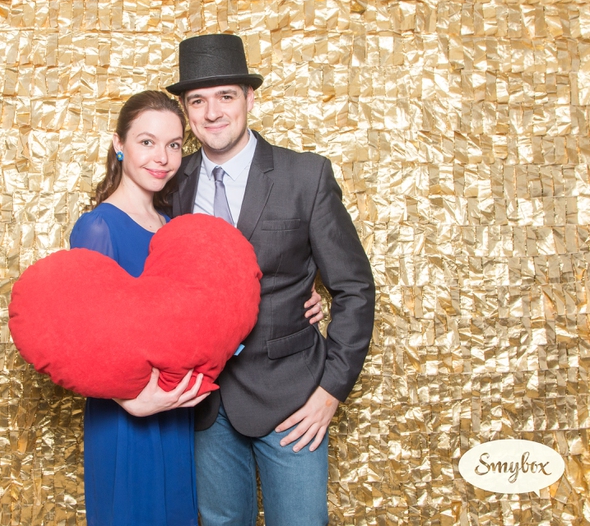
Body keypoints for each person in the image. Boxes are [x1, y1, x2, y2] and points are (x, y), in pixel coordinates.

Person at [68, 90, 326, 525]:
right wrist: (130, 401)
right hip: (130, 418)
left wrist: (296, 293)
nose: (162, 157)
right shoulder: (97, 228)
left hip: (178, 415)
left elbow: (208, 304)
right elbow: (78, 335)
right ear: (118, 144)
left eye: (173, 144)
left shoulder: (173, 223)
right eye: (146, 142)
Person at [166, 34, 376, 525]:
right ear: (186, 110)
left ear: (250, 98)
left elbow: (354, 288)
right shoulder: (172, 181)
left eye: (225, 96)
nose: (212, 112)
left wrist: (331, 392)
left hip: (292, 398)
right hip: (204, 402)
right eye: (197, 100)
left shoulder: (306, 176)